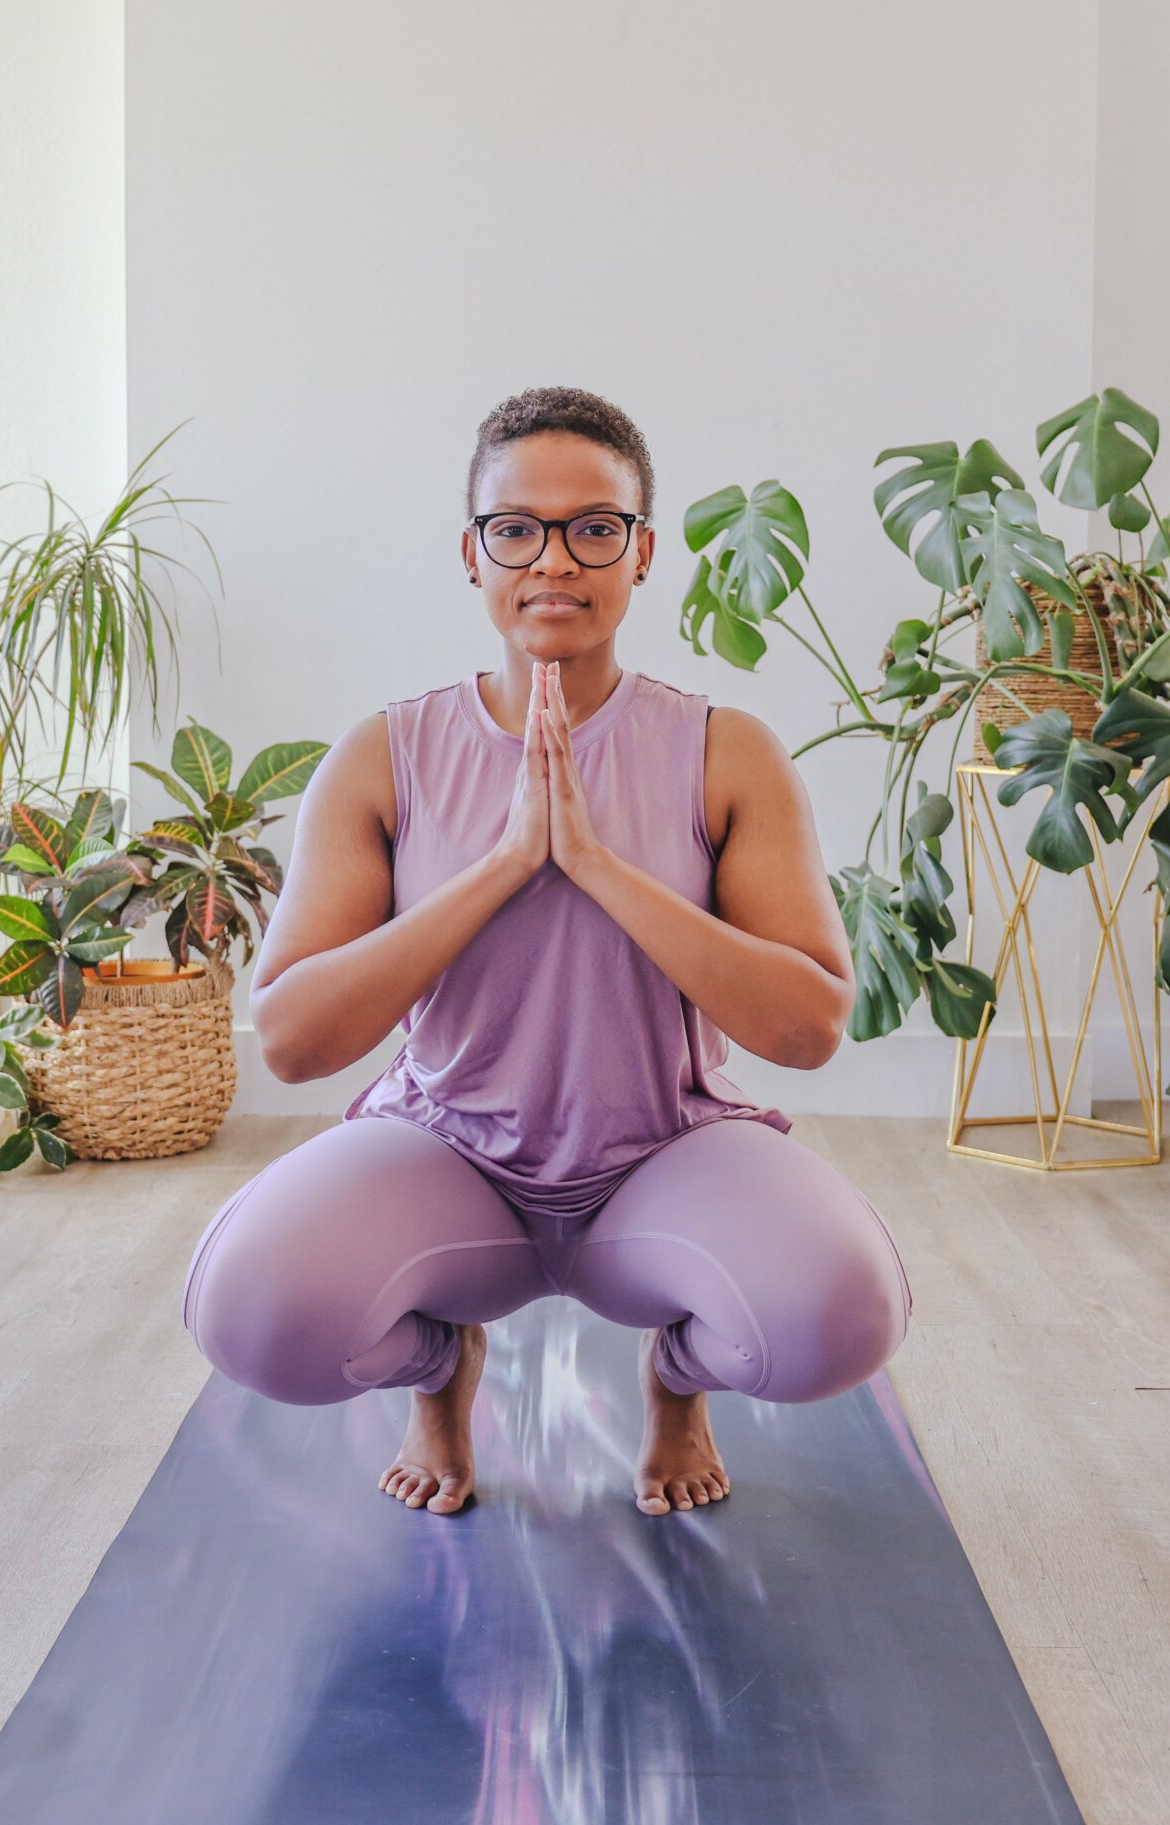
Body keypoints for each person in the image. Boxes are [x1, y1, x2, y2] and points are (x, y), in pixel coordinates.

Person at [181, 385, 914, 1519]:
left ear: (641, 553)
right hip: (447, 1160)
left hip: (659, 1165)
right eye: (515, 529)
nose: (554, 561)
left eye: (594, 528)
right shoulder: (387, 754)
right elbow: (290, 1039)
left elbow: (808, 1026)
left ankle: (675, 1380)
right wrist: (506, 864)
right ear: (472, 557)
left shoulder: (728, 753)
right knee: (252, 1310)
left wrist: (601, 865)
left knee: (839, 1314)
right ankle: (440, 1367)